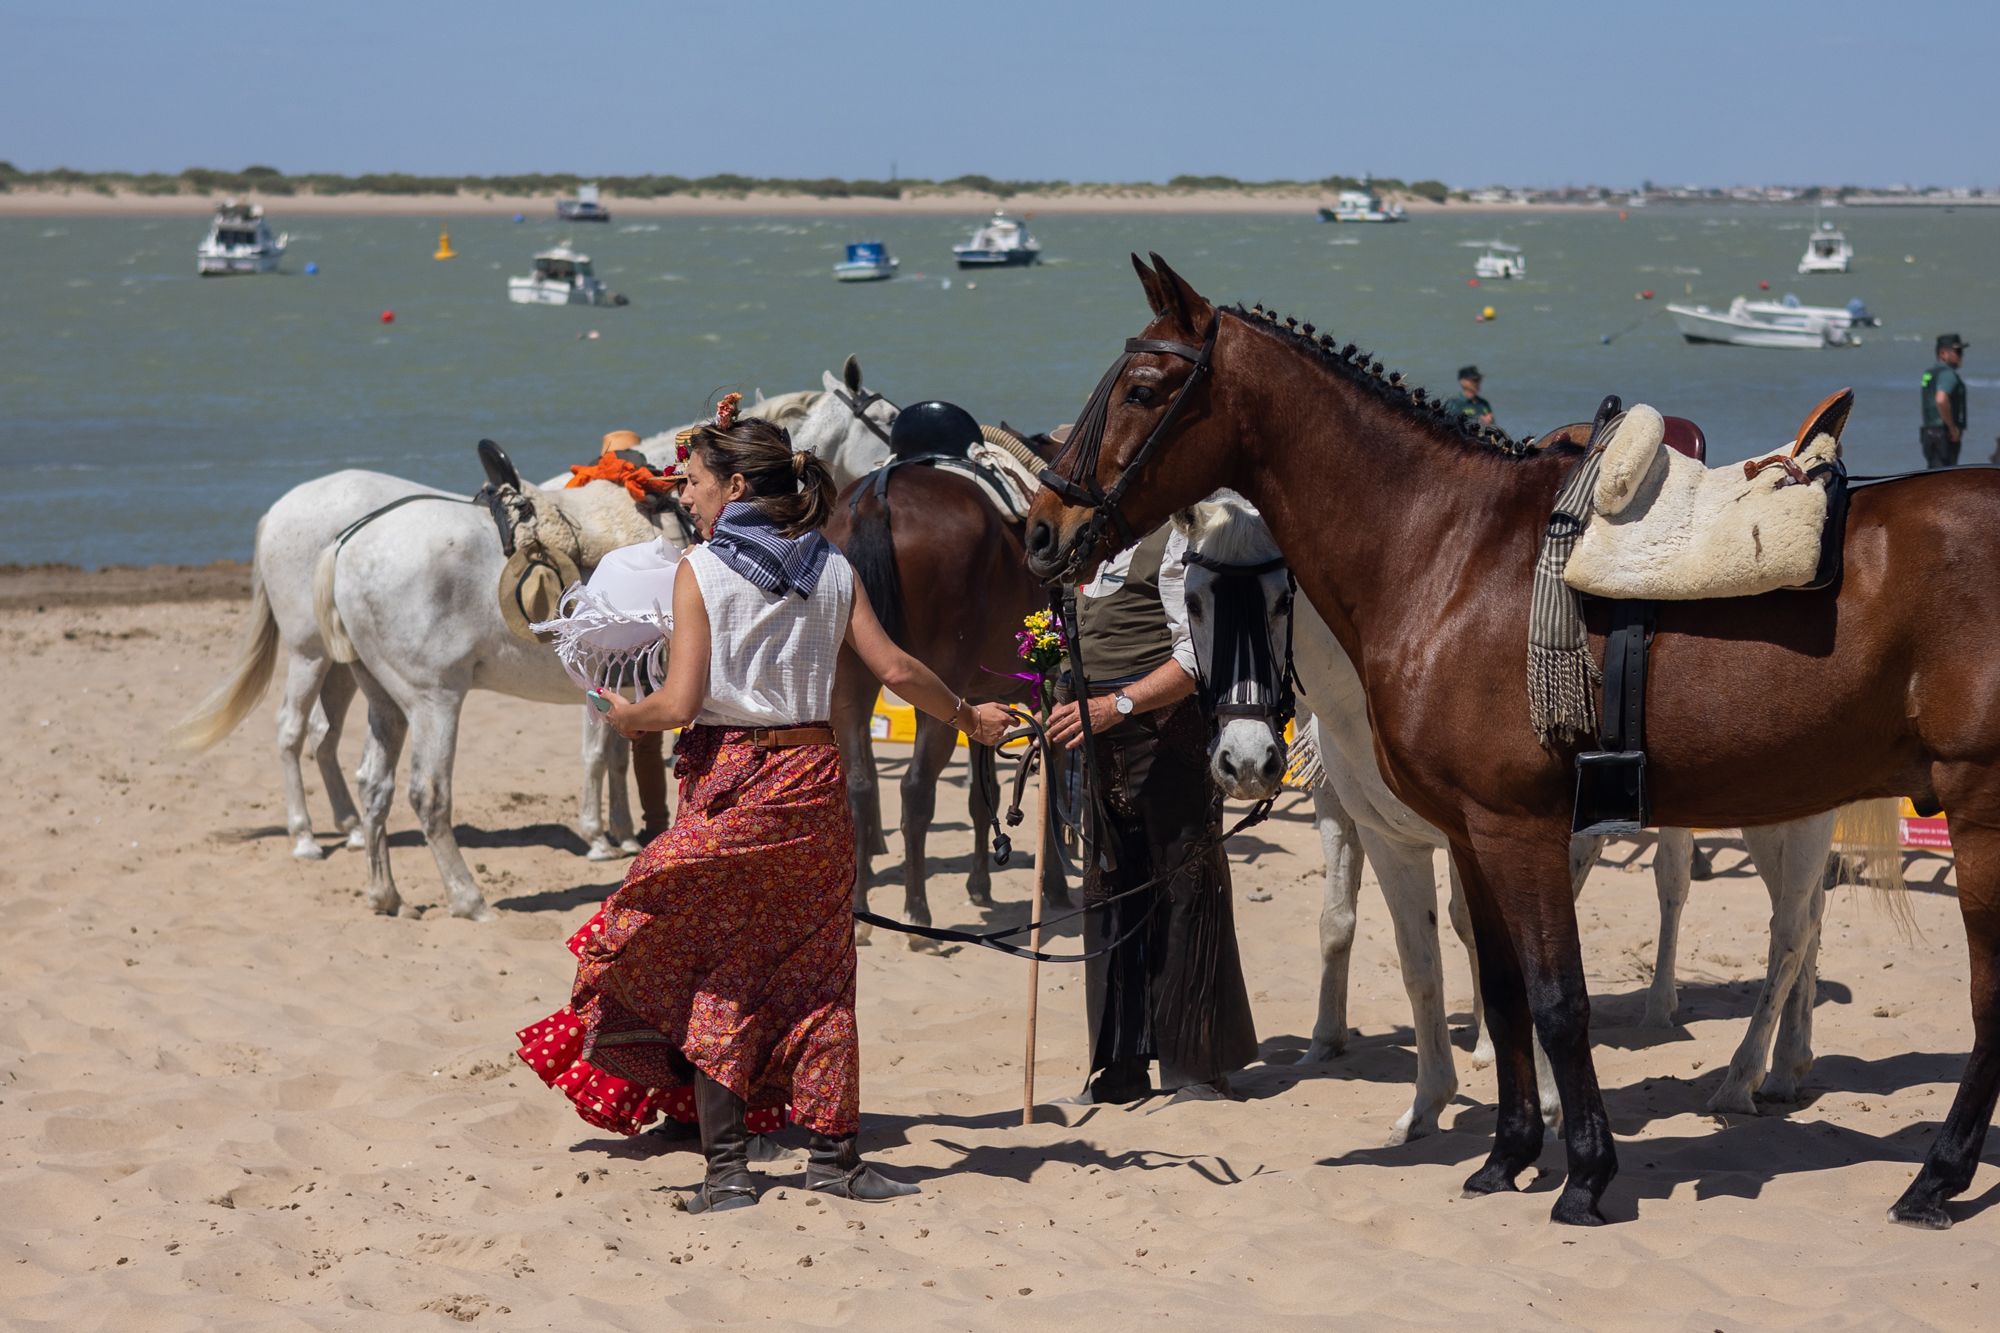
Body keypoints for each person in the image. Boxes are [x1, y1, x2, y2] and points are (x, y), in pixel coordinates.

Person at [515, 398, 1012, 1213]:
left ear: (738, 483)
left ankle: (728, 1172)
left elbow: (678, 702)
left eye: (697, 480)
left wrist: (618, 712)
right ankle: (834, 1158)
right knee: (822, 972)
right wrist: (971, 717)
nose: (686, 492)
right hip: (817, 783)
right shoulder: (831, 564)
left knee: (719, 963)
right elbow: (895, 669)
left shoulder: (701, 570)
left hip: (733, 780)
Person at [1045, 521, 1258, 1104]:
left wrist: (1117, 703)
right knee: (1111, 893)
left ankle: (1197, 1067)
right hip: (1098, 742)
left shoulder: (1176, 542)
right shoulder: (1086, 546)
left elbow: (1197, 656)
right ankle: (1121, 1065)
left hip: (1169, 738)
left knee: (1186, 888)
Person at [1921, 333, 1968, 469]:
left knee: (1932, 476)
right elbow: (1941, 399)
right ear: (1943, 353)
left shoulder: (1929, 373)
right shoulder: (1947, 374)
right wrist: (1952, 427)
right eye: (1957, 351)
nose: (1961, 355)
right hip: (1944, 435)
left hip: (1929, 433)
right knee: (1945, 479)